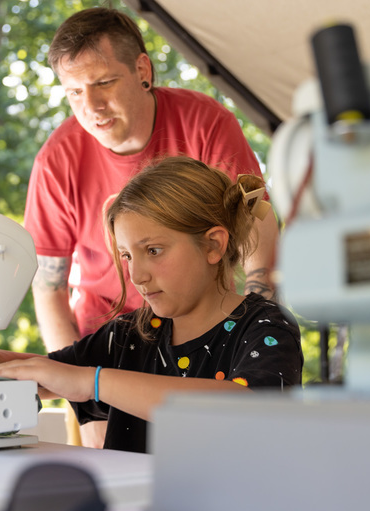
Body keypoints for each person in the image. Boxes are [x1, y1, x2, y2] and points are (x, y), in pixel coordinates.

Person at [25, 7, 279, 447]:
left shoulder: (205, 123)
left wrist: (254, 313)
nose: (92, 107)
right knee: (113, 463)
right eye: (73, 93)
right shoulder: (57, 158)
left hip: (199, 325)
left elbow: (256, 216)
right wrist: (82, 388)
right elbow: (49, 286)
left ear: (143, 69)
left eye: (103, 83)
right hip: (109, 338)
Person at [0, 156, 303, 454]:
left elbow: (251, 407)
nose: (136, 275)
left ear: (213, 244)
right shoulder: (133, 333)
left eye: (153, 251)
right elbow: (52, 374)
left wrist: (94, 382)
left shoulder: (266, 328)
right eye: (126, 256)